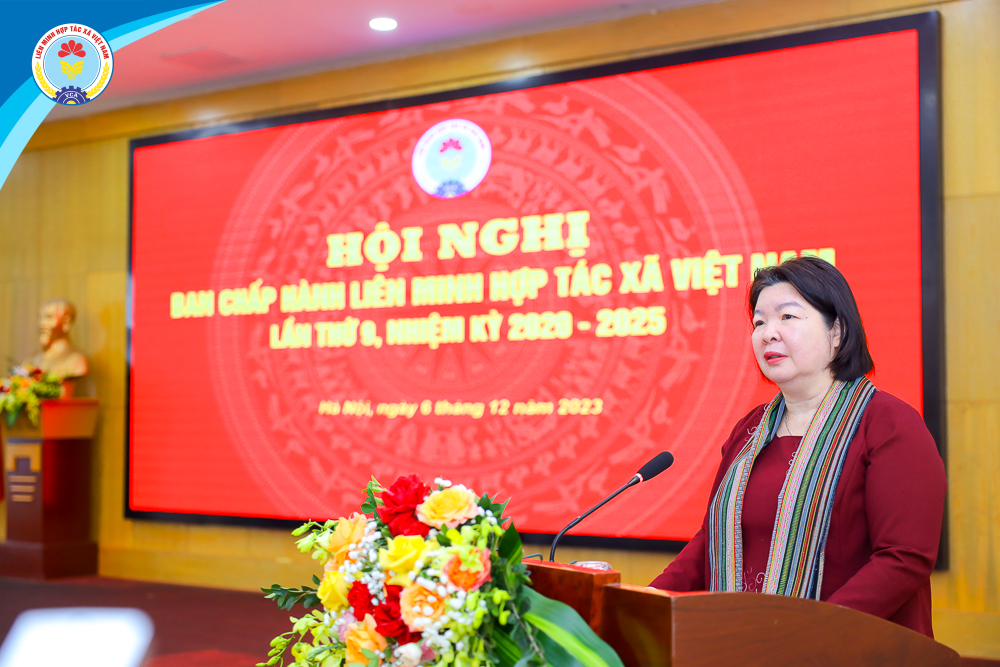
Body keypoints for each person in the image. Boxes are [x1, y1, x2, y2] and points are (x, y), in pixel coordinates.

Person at [649, 256, 945, 638]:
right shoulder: (750, 430)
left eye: (787, 317)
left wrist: (804, 634)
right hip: (744, 646)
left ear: (836, 331)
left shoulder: (889, 424)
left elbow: (904, 559)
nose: (768, 334)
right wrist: (645, 600)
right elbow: (712, 542)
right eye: (759, 322)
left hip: (847, 648)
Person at [24, 298, 88, 380]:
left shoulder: (76, 361)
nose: (41, 324)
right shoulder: (32, 361)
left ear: (66, 322)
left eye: (49, 317)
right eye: (40, 318)